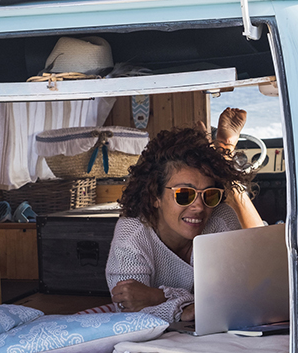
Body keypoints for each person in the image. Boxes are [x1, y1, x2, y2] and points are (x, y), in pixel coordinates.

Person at [105, 108, 263, 322]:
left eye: (210, 195)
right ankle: (223, 149)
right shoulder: (132, 235)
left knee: (258, 243)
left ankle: (224, 151)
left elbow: (238, 294)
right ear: (155, 196)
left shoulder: (220, 219)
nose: (199, 206)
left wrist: (159, 296)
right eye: (185, 194)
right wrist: (184, 309)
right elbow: (128, 312)